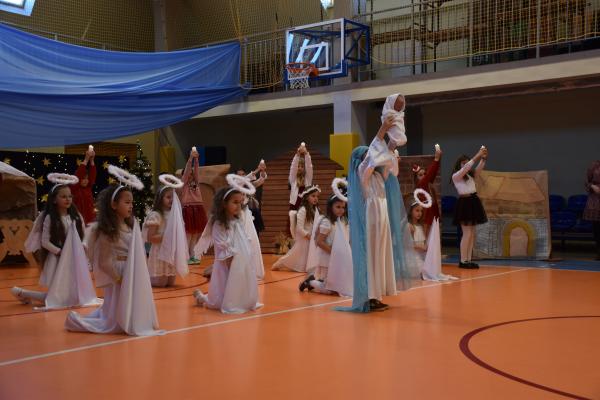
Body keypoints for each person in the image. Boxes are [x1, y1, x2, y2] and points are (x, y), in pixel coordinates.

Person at [65, 179, 161, 336]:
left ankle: (130, 319)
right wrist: (119, 279)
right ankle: (80, 321)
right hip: (118, 274)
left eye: (132, 202)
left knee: (130, 304)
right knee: (116, 311)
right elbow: (103, 262)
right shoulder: (108, 230)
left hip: (130, 271)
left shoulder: (130, 226)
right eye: (127, 202)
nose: (131, 206)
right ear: (114, 205)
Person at [13, 175, 100, 309]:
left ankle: (23, 293)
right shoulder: (50, 218)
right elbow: (45, 241)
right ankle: (23, 293)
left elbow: (84, 235)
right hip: (58, 259)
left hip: (75, 259)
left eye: (70, 196)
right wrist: (60, 252)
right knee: (59, 296)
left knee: (71, 296)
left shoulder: (76, 216)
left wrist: (83, 245)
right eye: (63, 196)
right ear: (54, 200)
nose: (68, 199)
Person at [193, 184, 263, 314]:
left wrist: (245, 263)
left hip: (239, 263)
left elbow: (244, 241)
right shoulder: (219, 224)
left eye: (240, 202)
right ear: (224, 204)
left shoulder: (238, 221)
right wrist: (232, 265)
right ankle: (201, 298)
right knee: (219, 298)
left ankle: (237, 301)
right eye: (235, 202)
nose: (239, 206)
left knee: (238, 288)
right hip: (226, 265)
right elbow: (223, 246)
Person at [451, 147, 489, 269]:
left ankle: (468, 259)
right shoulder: (456, 176)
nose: (466, 165)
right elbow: (467, 167)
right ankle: (463, 261)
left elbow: (477, 170)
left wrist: (483, 159)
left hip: (473, 201)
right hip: (465, 203)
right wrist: (477, 155)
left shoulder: (469, 175)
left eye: (466, 162)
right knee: (467, 233)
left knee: (472, 234)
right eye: (463, 163)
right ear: (459, 164)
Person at [272, 185, 320, 272]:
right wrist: (308, 236)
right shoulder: (303, 210)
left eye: (317, 196)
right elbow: (299, 228)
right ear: (306, 197)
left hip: (311, 237)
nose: (316, 198)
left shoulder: (315, 210)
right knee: (294, 254)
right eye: (313, 196)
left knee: (304, 255)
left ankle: (306, 266)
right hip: (304, 237)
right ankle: (281, 262)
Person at [181, 148, 208, 265]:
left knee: (195, 234)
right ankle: (185, 256)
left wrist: (196, 160)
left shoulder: (196, 182)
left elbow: (196, 171)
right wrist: (191, 158)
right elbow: (188, 170)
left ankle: (192, 255)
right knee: (188, 234)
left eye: (192, 174)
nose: (190, 175)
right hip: (188, 208)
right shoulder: (183, 183)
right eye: (188, 174)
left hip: (198, 208)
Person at [71, 148, 97, 224]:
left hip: (89, 221)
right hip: (78, 221)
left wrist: (92, 160)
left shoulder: (88, 187)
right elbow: (79, 173)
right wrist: (86, 159)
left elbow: (93, 175)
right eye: (83, 178)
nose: (86, 180)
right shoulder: (74, 188)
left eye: (87, 178)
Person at [583, 160, 600, 260]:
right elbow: (587, 182)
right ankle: (599, 252)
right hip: (595, 201)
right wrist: (593, 186)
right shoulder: (594, 166)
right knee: (597, 229)